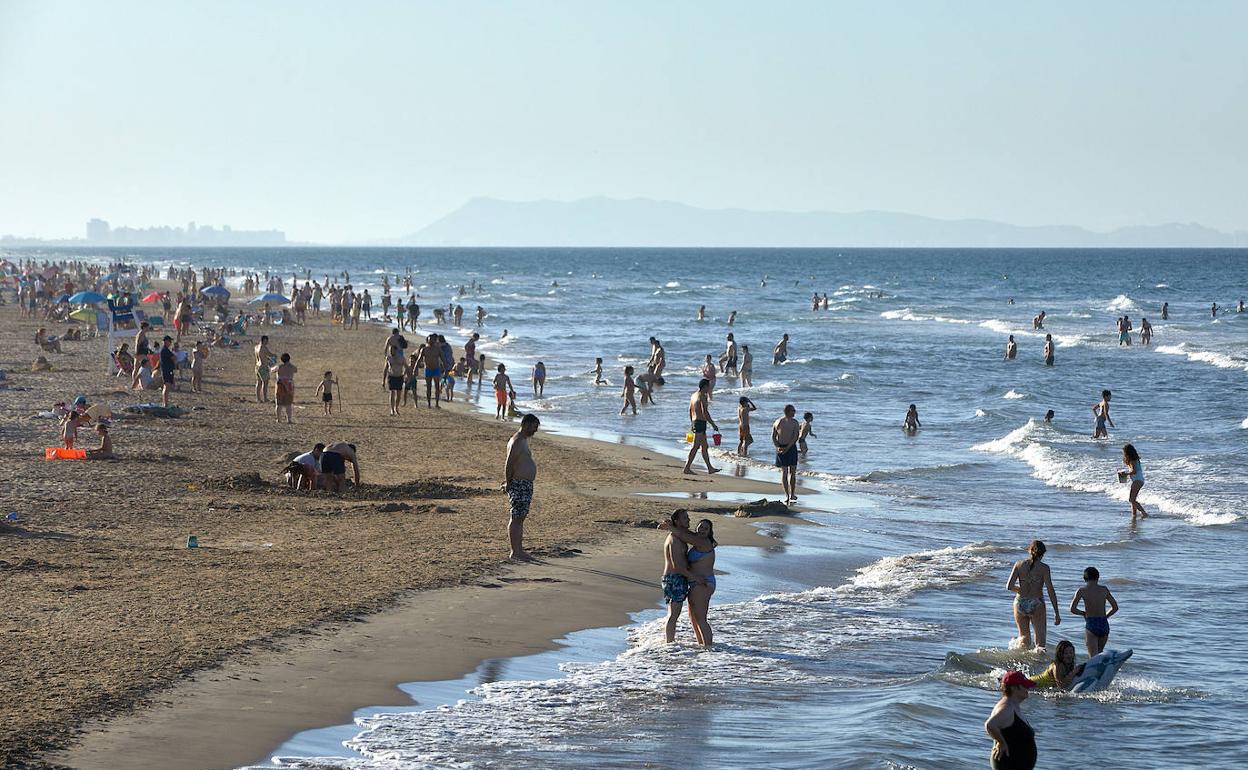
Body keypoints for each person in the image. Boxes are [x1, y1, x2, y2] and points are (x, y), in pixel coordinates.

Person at [1006, 540, 1060, 649]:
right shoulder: (1044, 568)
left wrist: (1021, 591)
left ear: (1029, 551)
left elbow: (1009, 586)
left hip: (1020, 602)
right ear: (1043, 554)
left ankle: (1022, 663)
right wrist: (1056, 613)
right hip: (1037, 603)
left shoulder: (1019, 564)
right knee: (1040, 643)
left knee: (1024, 639)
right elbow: (1050, 590)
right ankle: (1038, 665)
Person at [504, 413, 540, 561]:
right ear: (526, 424)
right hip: (519, 484)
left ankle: (519, 549)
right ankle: (515, 551)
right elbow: (509, 463)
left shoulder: (523, 440)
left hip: (524, 484)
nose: (535, 431)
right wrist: (508, 482)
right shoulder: (517, 441)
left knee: (521, 517)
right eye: (534, 427)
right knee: (517, 517)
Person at [984, 671, 1037, 770]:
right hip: (1007, 763)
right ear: (1013, 688)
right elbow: (990, 725)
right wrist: (1001, 743)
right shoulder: (1007, 707)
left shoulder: (1012, 706)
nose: (1028, 688)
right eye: (1024, 686)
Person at [659, 509, 698, 643]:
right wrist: (694, 577)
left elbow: (692, 536)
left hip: (674, 578)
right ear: (677, 521)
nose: (688, 520)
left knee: (673, 613)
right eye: (685, 518)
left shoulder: (679, 535)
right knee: (674, 614)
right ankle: (669, 644)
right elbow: (677, 566)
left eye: (688, 517)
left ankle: (668, 641)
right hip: (674, 578)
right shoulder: (674, 539)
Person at [1070, 566, 1118, 657]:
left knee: (1093, 657)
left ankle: (1092, 671)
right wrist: (1106, 616)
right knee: (1099, 654)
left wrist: (1083, 613)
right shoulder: (1104, 589)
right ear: (1098, 577)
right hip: (1104, 623)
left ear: (1085, 578)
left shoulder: (1082, 590)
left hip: (1091, 623)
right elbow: (1115, 607)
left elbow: (1072, 609)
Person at [682, 379, 720, 475]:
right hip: (700, 423)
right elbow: (705, 412)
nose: (709, 388)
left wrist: (692, 423)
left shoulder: (694, 395)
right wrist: (713, 424)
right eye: (709, 386)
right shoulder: (703, 396)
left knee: (704, 446)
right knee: (695, 446)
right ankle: (686, 468)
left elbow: (690, 410)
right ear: (705, 386)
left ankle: (710, 468)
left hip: (696, 422)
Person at [772, 404, 800, 504]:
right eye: (793, 410)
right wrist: (781, 447)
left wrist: (778, 447)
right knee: (787, 472)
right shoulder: (792, 422)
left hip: (784, 447)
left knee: (790, 472)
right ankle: (788, 495)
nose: (794, 412)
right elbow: (795, 437)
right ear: (788, 411)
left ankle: (790, 494)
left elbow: (773, 437)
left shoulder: (778, 421)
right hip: (787, 447)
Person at [1121, 443, 1148, 520]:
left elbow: (1134, 471)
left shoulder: (1132, 460)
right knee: (1133, 499)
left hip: (1137, 481)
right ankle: (1134, 515)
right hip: (1139, 480)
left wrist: (1125, 474)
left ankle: (1144, 513)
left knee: (1131, 499)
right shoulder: (1135, 460)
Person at [273, 353, 297, 424]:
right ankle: (289, 419)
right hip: (289, 385)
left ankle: (279, 419)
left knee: (279, 404)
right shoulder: (292, 367)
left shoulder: (279, 367)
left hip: (280, 385)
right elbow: (296, 370)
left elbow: (272, 370)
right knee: (288, 404)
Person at [384, 340, 406, 416]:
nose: (391, 352)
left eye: (392, 350)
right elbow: (385, 369)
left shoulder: (401, 358)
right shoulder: (388, 358)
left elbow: (406, 367)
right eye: (390, 350)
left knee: (399, 394)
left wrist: (405, 374)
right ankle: (392, 409)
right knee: (392, 392)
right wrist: (383, 380)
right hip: (391, 376)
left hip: (399, 376)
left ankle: (396, 408)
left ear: (396, 351)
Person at [158, 335, 177, 408]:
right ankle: (165, 403)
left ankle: (165, 402)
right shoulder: (165, 350)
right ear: (166, 341)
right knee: (166, 386)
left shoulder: (166, 350)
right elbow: (174, 357)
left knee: (168, 386)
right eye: (169, 341)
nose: (170, 343)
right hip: (166, 370)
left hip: (168, 370)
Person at [255, 335, 274, 403]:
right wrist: (275, 356)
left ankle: (258, 398)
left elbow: (261, 356)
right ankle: (265, 398)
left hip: (257, 366)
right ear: (264, 340)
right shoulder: (263, 347)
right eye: (267, 341)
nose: (267, 342)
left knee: (258, 383)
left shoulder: (256, 347)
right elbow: (270, 354)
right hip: (263, 367)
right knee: (265, 383)